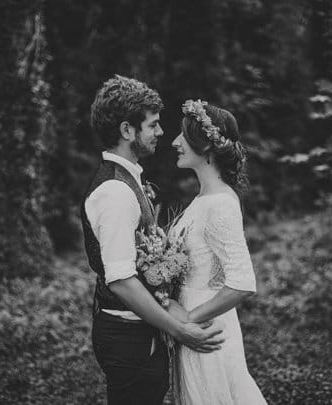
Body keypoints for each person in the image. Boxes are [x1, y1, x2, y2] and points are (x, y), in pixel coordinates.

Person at [81, 76, 225, 404]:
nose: (160, 132)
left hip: (138, 332)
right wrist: (178, 329)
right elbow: (120, 280)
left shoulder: (128, 181)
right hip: (129, 338)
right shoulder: (115, 192)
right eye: (153, 125)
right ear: (127, 130)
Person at [165, 99, 267, 404]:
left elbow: (242, 282)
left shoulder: (221, 203)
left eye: (183, 135)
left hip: (208, 329)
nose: (175, 142)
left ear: (206, 147)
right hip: (195, 325)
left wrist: (187, 322)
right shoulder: (202, 200)